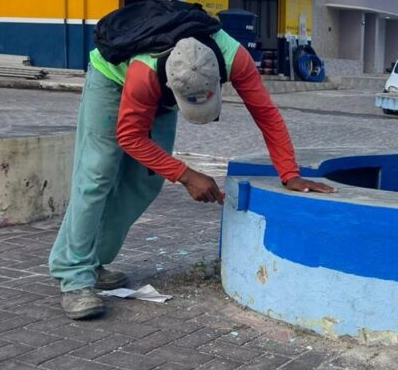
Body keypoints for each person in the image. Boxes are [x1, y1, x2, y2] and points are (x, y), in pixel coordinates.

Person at [50, 19, 334, 321]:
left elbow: (266, 113)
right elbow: (130, 137)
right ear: (172, 85)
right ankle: (74, 276)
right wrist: (186, 176)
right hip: (112, 78)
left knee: (145, 181)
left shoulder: (235, 58)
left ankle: (93, 261)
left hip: (162, 91)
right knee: (96, 176)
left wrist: (289, 173)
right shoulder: (145, 72)